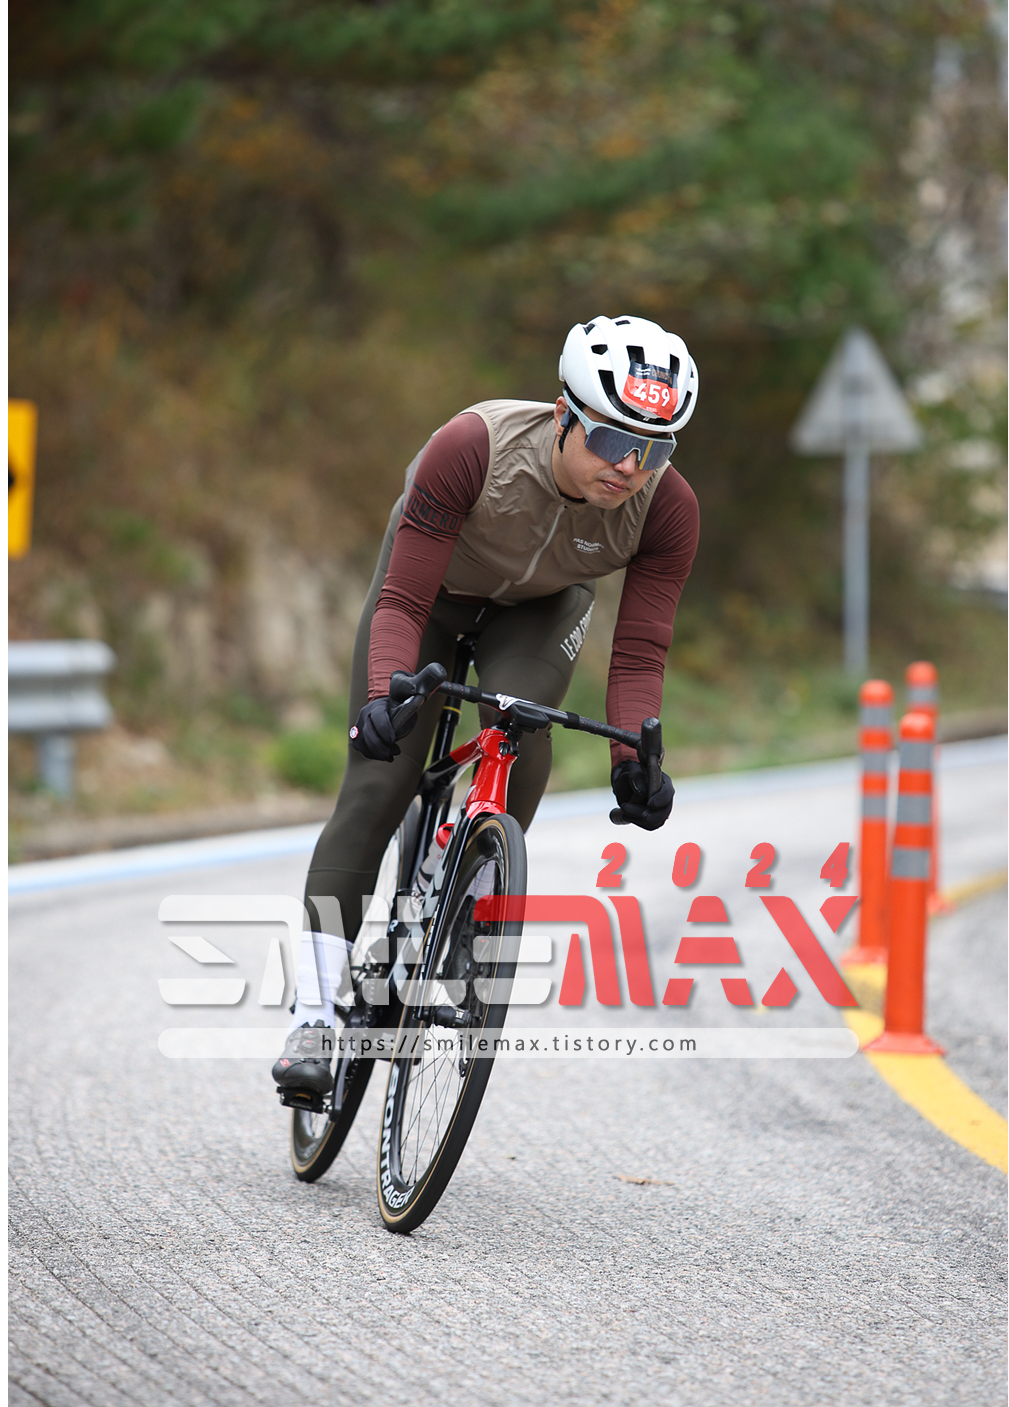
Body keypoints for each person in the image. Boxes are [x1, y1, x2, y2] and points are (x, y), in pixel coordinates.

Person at [271, 314, 701, 1097]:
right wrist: (385, 695)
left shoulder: (668, 510)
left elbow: (640, 653)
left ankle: (466, 900)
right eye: (612, 439)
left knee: (522, 728)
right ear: (565, 413)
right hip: (428, 598)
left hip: (539, 613)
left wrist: (632, 759)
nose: (630, 466)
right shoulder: (474, 447)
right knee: (378, 783)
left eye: (655, 448)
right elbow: (402, 600)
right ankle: (314, 1016)